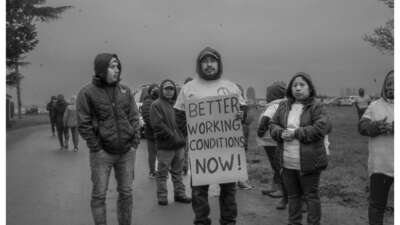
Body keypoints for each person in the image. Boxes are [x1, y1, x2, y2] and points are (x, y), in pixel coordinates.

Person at [174, 47, 246, 225]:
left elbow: (242, 112)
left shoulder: (231, 87)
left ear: (218, 63)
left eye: (212, 61)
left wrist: (241, 117)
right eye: (204, 61)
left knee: (229, 191)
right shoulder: (188, 88)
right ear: (199, 65)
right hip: (201, 152)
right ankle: (201, 221)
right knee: (199, 192)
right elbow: (179, 115)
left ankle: (228, 222)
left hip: (227, 150)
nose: (209, 65)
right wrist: (193, 134)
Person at [77, 53, 140, 225]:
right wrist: (96, 148)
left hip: (127, 152)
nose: (116, 70)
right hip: (102, 155)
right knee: (99, 195)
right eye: (112, 66)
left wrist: (134, 143)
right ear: (101, 69)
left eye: (118, 66)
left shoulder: (125, 91)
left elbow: (134, 117)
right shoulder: (87, 93)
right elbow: (84, 124)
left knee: (126, 193)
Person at [270, 72, 332, 225]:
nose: (298, 88)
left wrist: (296, 133)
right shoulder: (284, 106)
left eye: (302, 85)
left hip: (310, 162)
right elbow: (272, 125)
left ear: (310, 88)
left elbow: (320, 128)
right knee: (292, 196)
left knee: (311, 196)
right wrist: (280, 133)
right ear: (290, 89)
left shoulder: (317, 106)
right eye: (294, 85)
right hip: (286, 162)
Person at [358, 70, 393, 225]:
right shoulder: (374, 106)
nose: (391, 87)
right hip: (380, 167)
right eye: (389, 83)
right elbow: (362, 126)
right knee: (376, 208)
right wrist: (377, 127)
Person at [150, 79, 192, 206]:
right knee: (162, 173)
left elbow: (184, 122)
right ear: (162, 90)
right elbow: (157, 125)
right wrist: (172, 136)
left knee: (177, 172)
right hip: (165, 146)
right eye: (166, 89)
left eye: (171, 89)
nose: (169, 91)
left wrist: (183, 135)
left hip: (179, 145)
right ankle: (162, 196)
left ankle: (180, 194)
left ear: (175, 91)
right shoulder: (156, 105)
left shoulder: (178, 105)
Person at [257, 82, 288, 210]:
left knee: (277, 165)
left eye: (268, 93)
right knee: (276, 165)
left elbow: (265, 119)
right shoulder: (281, 104)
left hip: (271, 141)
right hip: (272, 140)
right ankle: (274, 186)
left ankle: (281, 189)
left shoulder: (275, 105)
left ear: (273, 94)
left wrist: (260, 131)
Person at [141, 83, 159, 178]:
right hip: (152, 133)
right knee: (152, 153)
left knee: (158, 153)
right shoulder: (148, 102)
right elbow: (147, 117)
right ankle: (152, 172)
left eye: (157, 89)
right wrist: (156, 127)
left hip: (158, 133)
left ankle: (157, 170)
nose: (156, 91)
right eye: (154, 90)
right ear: (150, 91)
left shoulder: (157, 100)